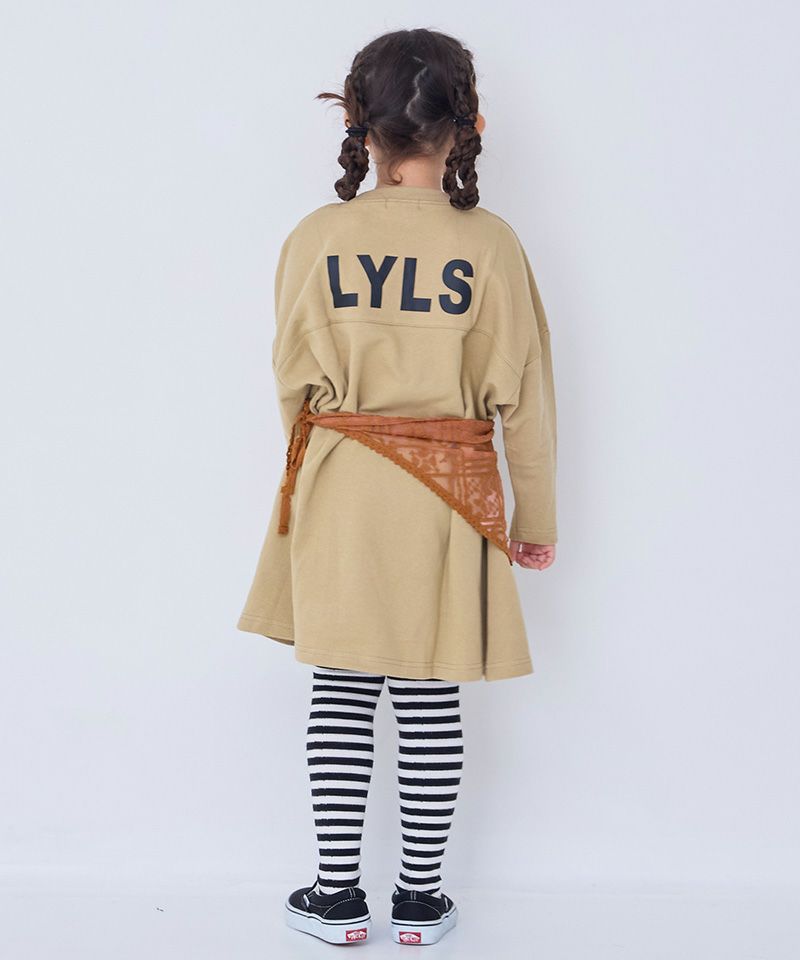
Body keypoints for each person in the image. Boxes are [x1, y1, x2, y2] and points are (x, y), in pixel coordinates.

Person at [237, 27, 558, 946]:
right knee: (428, 698)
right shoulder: (492, 245)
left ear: (358, 124)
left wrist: (313, 475)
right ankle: (419, 901)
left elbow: (290, 384)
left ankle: (337, 898)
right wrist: (535, 515)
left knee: (342, 693)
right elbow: (527, 396)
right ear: (469, 125)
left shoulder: (317, 238)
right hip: (451, 495)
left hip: (341, 484)